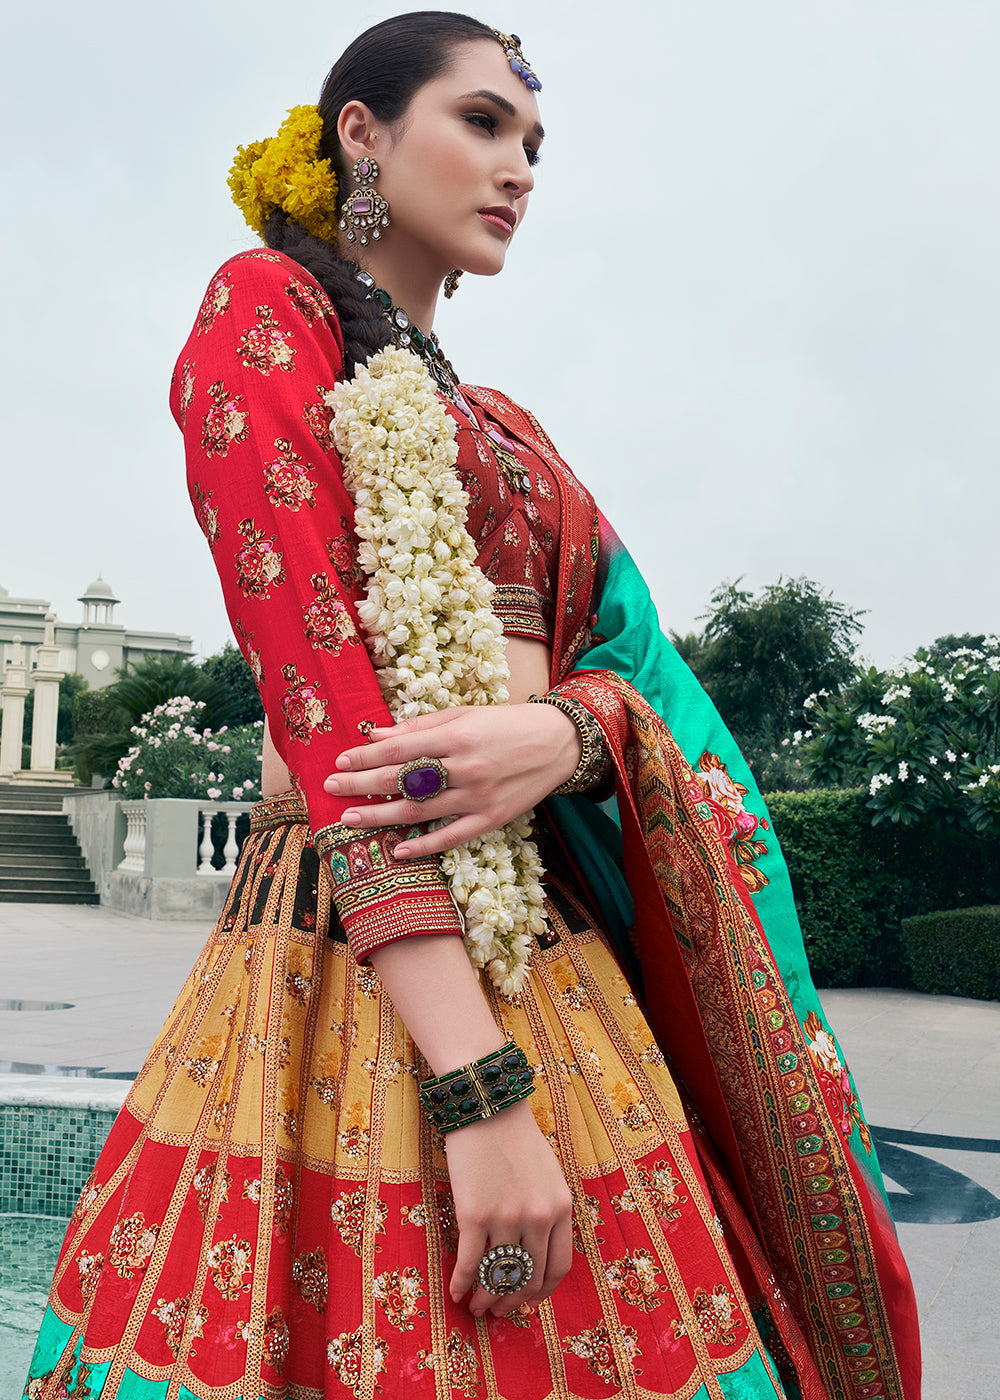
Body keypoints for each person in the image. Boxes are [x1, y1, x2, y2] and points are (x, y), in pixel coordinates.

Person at [24, 13, 920, 1400]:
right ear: (363, 136)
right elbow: (329, 716)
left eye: (537, 145)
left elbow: (642, 685)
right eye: (485, 122)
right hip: (352, 960)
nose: (521, 168)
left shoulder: (510, 433)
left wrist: (570, 736)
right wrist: (478, 1089)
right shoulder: (269, 315)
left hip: (556, 953)